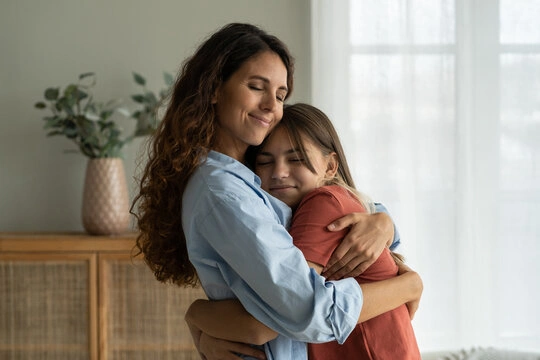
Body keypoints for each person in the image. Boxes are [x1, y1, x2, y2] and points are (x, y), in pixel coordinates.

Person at [131, 22, 422, 360]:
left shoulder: (252, 178)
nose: (272, 105)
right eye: (257, 87)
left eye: (281, 95)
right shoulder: (225, 193)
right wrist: (408, 286)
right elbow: (306, 312)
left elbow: (334, 214)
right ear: (213, 89)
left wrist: (383, 221)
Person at [186, 103, 421, 359]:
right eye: (265, 162)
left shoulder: (322, 203)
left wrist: (197, 317)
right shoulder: (333, 203)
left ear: (331, 167)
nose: (279, 173)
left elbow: (277, 319)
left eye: (296, 159)